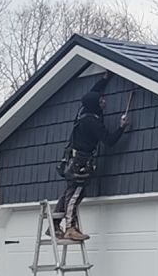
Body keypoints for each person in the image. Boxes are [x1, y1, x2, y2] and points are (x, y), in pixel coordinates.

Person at [53, 72, 129, 241]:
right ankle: (70, 228)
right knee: (76, 194)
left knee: (69, 191)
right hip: (81, 162)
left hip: (72, 158)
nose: (104, 102)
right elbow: (109, 141)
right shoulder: (91, 122)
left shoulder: (85, 110)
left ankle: (55, 223)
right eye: (101, 101)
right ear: (95, 104)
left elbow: (93, 92)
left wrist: (105, 79)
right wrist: (121, 127)